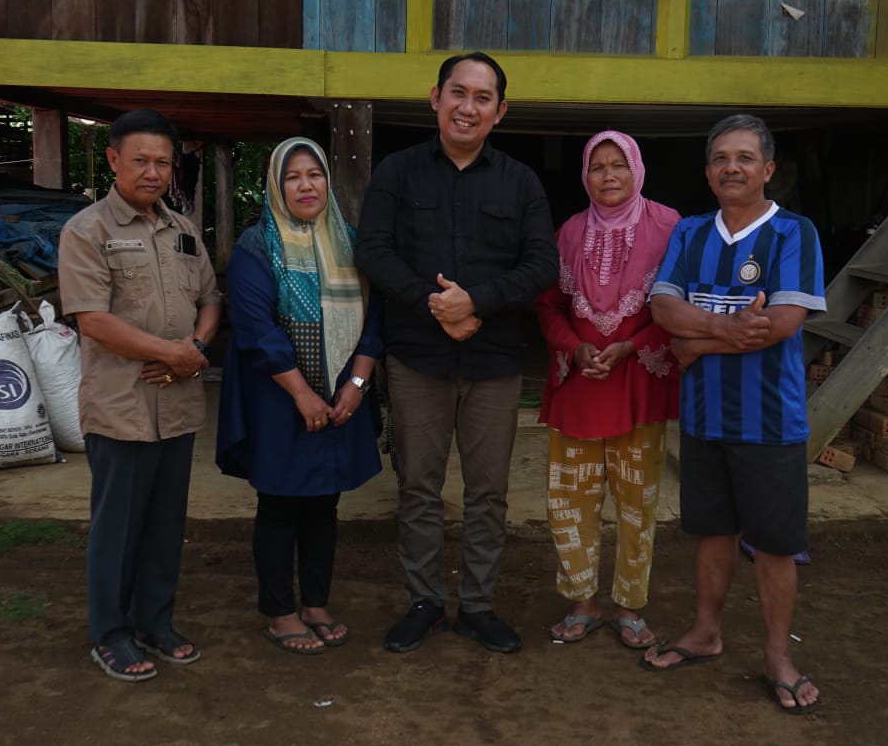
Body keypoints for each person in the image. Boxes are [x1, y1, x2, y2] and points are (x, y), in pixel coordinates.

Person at [355, 51, 559, 654]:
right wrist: (436, 306)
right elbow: (373, 250)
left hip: (494, 361)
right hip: (418, 357)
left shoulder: (520, 181)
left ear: (500, 111)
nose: (468, 107)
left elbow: (542, 264)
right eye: (458, 93)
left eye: (482, 98)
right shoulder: (397, 172)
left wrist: (477, 303)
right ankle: (424, 602)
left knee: (487, 491)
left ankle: (477, 605)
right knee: (418, 485)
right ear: (436, 98)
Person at [644, 114, 827, 715]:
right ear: (707, 172)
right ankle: (706, 632)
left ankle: (777, 657)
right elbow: (664, 310)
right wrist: (724, 328)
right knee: (713, 532)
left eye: (745, 158)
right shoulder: (691, 232)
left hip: (770, 421)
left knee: (773, 544)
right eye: (721, 158)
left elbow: (783, 323)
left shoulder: (794, 232)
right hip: (703, 418)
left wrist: (695, 344)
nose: (732, 168)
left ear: (767, 170)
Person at [58, 108, 221, 682]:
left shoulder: (183, 230)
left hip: (176, 403)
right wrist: (172, 354)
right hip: (121, 406)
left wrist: (193, 350)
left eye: (163, 163)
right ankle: (110, 634)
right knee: (118, 528)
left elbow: (210, 300)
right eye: (140, 161)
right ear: (113, 160)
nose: (153, 173)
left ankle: (155, 621)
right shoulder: (87, 231)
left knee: (164, 524)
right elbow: (93, 321)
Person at [216, 137, 383, 655]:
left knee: (324, 502)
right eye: (292, 177)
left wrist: (356, 385)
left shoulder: (350, 243)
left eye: (315, 174)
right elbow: (256, 330)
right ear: (275, 185)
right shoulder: (256, 247)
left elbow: (375, 320)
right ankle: (279, 611)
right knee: (280, 501)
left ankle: (315, 603)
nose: (306, 186)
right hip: (279, 397)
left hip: (340, 394)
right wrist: (302, 394)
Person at [535, 131, 681, 650]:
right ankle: (582, 602)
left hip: (638, 382)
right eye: (597, 166)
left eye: (619, 164)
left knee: (637, 503)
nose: (608, 175)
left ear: (637, 169)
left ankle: (629, 606)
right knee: (570, 500)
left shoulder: (670, 227)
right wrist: (573, 346)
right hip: (579, 385)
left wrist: (631, 346)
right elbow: (549, 305)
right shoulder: (569, 232)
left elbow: (680, 304)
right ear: (585, 175)